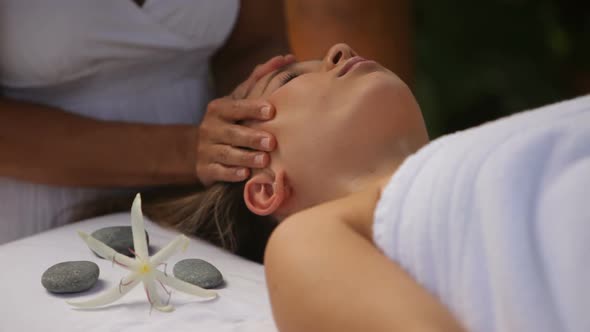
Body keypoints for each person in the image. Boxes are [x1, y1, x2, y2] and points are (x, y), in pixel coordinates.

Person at [142, 43, 590, 331]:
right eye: (292, 78)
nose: (339, 49)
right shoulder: (304, 241)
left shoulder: (483, 158)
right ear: (265, 188)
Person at [0, 0, 410, 244]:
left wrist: (243, 134)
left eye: (289, 75)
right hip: (30, 210)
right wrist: (193, 150)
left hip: (196, 211)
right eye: (290, 77)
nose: (338, 51)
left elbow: (253, 44)